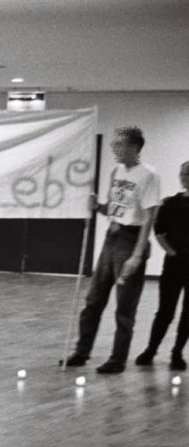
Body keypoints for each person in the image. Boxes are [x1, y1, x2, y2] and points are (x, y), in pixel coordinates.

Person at [65, 126, 161, 373]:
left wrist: (137, 255)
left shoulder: (148, 175)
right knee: (93, 300)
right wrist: (97, 206)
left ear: (133, 147)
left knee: (124, 306)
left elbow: (149, 216)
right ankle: (81, 351)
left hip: (131, 240)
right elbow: (113, 207)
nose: (114, 149)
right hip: (112, 239)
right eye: (114, 145)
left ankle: (117, 359)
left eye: (119, 145)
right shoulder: (116, 171)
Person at [135, 160, 189, 370]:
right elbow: (159, 232)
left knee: (188, 313)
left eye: (188, 173)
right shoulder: (169, 204)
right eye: (183, 173)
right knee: (165, 310)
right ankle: (151, 349)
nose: (185, 177)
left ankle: (177, 352)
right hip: (174, 263)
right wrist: (171, 252)